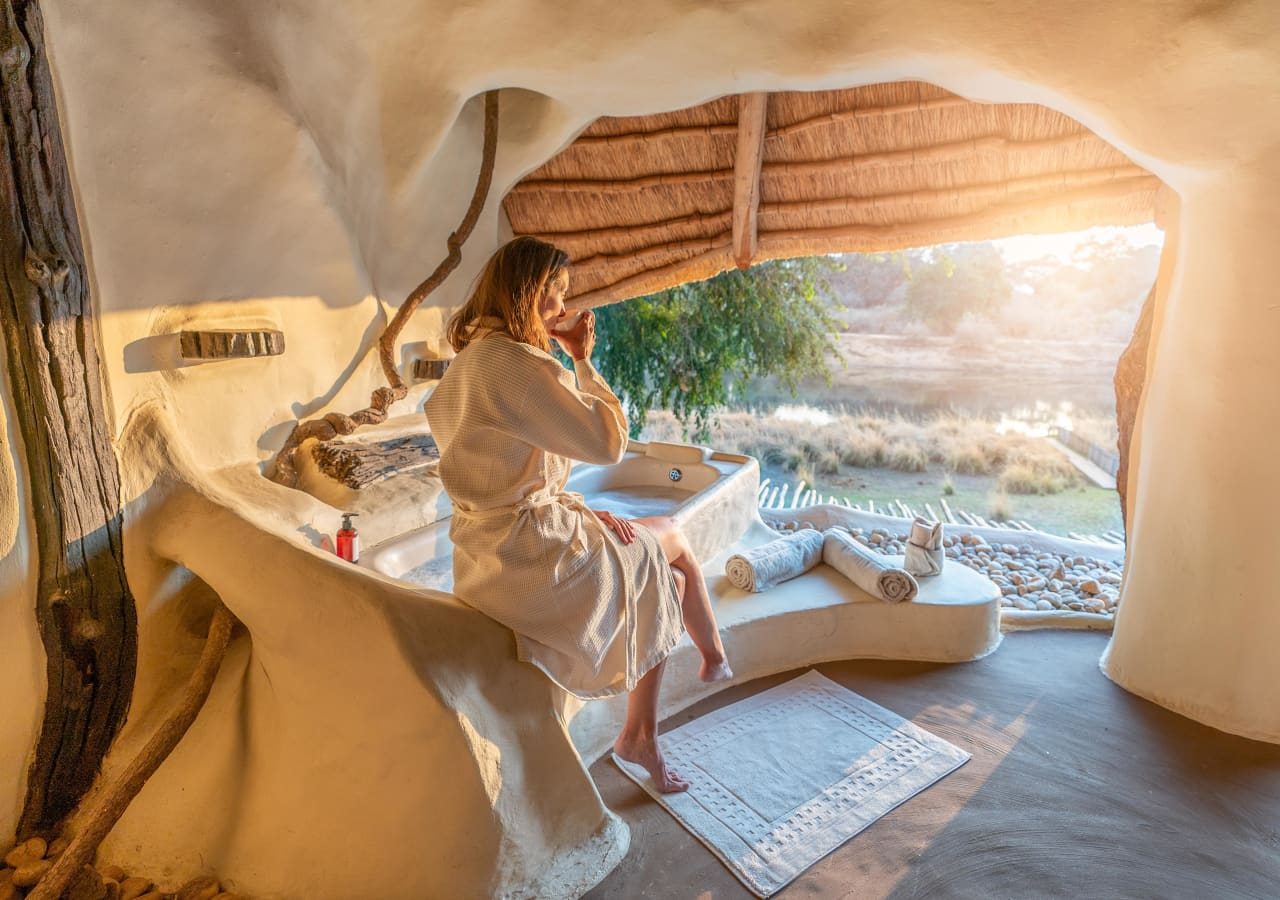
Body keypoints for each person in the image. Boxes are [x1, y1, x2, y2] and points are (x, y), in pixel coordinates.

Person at [424, 236, 732, 792]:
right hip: (534, 564)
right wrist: (583, 359)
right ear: (526, 291)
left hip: (484, 559)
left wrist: (582, 511)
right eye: (554, 294)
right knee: (667, 547)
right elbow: (610, 442)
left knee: (655, 548)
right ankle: (663, 712)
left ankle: (707, 664)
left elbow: (507, 474)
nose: (563, 311)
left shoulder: (465, 367)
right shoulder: (517, 364)